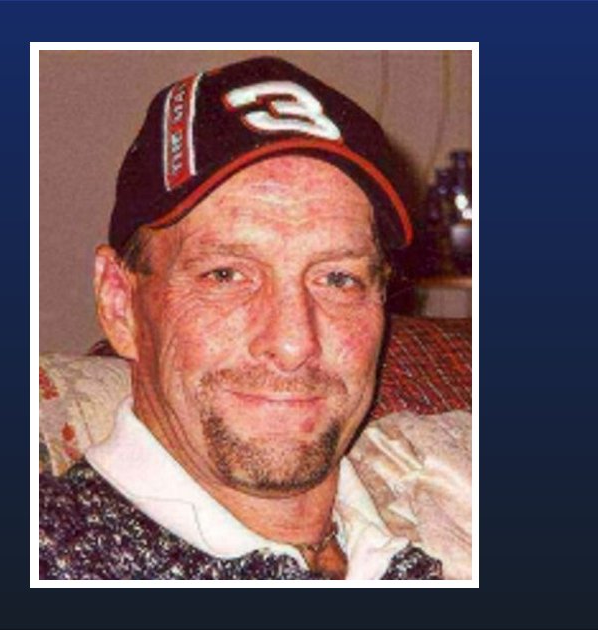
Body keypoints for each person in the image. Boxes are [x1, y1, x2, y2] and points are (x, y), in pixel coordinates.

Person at [39, 57, 443, 580]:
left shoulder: (446, 504)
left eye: (338, 278)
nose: (294, 343)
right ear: (120, 303)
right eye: (226, 275)